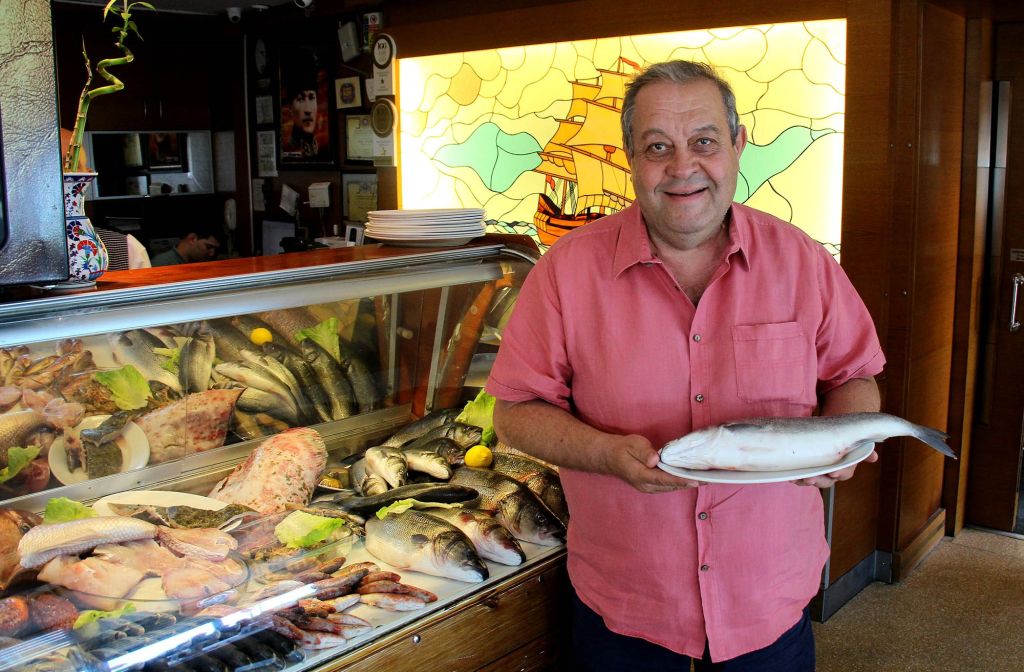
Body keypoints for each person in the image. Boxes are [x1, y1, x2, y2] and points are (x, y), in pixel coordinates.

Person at [486, 60, 885, 671]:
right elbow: (514, 412)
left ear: (738, 146)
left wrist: (841, 446)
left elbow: (854, 377)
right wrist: (605, 453)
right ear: (629, 158)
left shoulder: (803, 262)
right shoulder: (565, 272)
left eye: (703, 142)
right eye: (657, 147)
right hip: (625, 610)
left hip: (768, 605)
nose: (682, 167)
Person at [281, 50, 321, 159]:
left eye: (312, 97)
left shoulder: (320, 146)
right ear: (290, 107)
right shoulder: (289, 148)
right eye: (300, 99)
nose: (308, 109)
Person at [150, 223, 220, 266]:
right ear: (192, 239)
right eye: (208, 247)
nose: (212, 254)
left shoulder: (192, 263)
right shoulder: (162, 263)